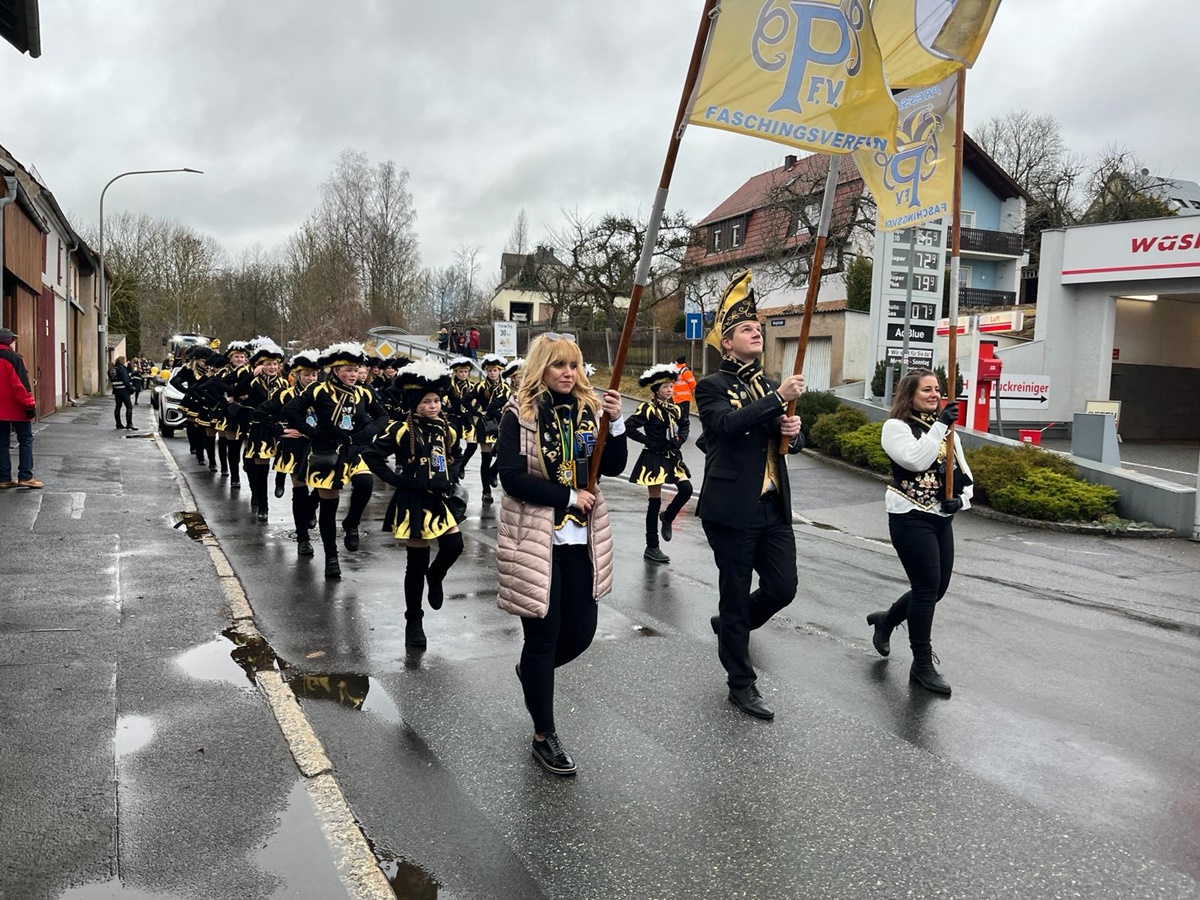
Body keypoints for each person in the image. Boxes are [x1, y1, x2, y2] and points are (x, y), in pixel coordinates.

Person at [496, 333, 628, 776]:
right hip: (536, 542)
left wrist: (616, 423)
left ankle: (533, 673)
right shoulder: (519, 414)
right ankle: (544, 734)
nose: (569, 373)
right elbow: (512, 478)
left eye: (574, 365)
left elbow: (612, 467)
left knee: (581, 634)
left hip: (582, 541)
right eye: (558, 365)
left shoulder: (590, 410)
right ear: (541, 368)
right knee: (543, 637)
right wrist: (569, 496)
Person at [695, 270, 805, 721]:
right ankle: (741, 683)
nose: (756, 332)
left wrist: (794, 431)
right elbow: (725, 425)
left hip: (773, 507)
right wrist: (778, 400)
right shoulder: (711, 387)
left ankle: (730, 628)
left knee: (783, 588)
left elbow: (785, 441)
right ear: (727, 343)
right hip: (731, 511)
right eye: (746, 328)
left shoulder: (768, 385)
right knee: (736, 594)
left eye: (758, 328)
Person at [867, 369, 973, 696]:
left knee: (936, 589)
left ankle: (887, 620)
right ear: (909, 394)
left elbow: (963, 473)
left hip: (940, 517)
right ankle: (922, 665)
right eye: (926, 389)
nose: (934, 394)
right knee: (926, 589)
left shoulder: (948, 431)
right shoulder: (895, 427)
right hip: (910, 515)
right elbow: (915, 460)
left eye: (937, 389)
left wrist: (961, 499)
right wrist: (941, 425)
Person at [362, 359, 465, 649]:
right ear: (415, 404)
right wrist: (397, 480)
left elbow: (457, 455)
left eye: (436, 401)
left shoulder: (447, 428)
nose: (433, 406)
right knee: (415, 566)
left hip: (440, 499)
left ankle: (437, 575)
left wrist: (451, 475)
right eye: (426, 402)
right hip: (413, 501)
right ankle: (414, 621)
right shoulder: (400, 429)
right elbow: (371, 454)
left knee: (454, 546)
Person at [283, 342, 387, 579]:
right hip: (326, 453)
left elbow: (382, 415)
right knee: (328, 509)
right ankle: (331, 558)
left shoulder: (363, 392)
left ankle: (352, 523)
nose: (353, 374)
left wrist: (368, 431)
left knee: (365, 484)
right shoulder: (319, 390)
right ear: (335, 370)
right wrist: (312, 432)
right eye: (348, 370)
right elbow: (291, 410)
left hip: (353, 450)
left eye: (356, 369)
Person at [626, 363, 693, 565]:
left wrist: (680, 439)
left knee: (686, 489)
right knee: (654, 503)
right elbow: (629, 427)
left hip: (672, 456)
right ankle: (652, 546)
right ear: (656, 390)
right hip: (654, 458)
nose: (669, 390)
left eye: (671, 387)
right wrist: (648, 441)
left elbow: (685, 425)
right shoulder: (648, 409)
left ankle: (668, 517)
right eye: (665, 387)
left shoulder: (675, 409)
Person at [268, 350, 321, 556]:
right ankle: (303, 539)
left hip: (320, 446)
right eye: (306, 374)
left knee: (321, 487)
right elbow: (262, 414)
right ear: (296, 375)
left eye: (314, 374)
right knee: (300, 491)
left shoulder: (325, 393)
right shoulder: (285, 395)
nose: (311, 378)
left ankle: (311, 506)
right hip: (295, 448)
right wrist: (280, 431)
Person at [242, 339, 288, 523]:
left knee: (286, 457)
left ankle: (279, 482)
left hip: (278, 426)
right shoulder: (253, 382)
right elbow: (238, 392)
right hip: (259, 427)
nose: (272, 367)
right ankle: (263, 506)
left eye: (275, 364)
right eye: (268, 364)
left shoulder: (284, 383)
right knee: (259, 467)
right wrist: (251, 375)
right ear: (261, 365)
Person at [0, 327, 41, 489]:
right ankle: (25, 476)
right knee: (25, 440)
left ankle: (4, 478)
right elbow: (20, 385)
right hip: (17, 408)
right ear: (9, 341)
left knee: (2, 443)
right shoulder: (14, 358)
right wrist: (30, 404)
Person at [471, 353, 507, 503]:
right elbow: (465, 400)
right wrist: (477, 413)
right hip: (485, 423)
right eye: (489, 370)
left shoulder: (506, 388)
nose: (492, 373)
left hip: (500, 423)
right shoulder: (480, 386)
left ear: (500, 371)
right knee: (485, 458)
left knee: (504, 453)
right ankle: (486, 491)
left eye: (495, 370)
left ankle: (494, 472)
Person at [109, 356, 137, 430]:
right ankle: (129, 423)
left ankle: (118, 423)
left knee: (118, 407)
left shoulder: (111, 369)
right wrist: (131, 389)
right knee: (129, 407)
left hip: (116, 390)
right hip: (124, 390)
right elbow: (126, 380)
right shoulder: (122, 369)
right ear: (123, 361)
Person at [672, 353, 697, 419]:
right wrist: (693, 392)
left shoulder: (674, 370)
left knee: (677, 416)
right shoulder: (686, 371)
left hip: (675, 398)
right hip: (685, 398)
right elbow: (692, 383)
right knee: (684, 417)